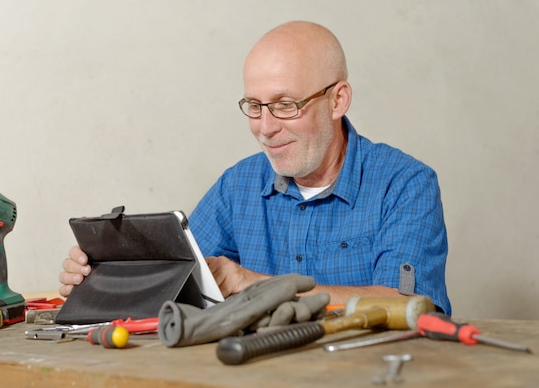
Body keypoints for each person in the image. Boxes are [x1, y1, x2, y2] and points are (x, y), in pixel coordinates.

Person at [59, 21, 451, 314]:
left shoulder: (404, 184)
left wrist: (260, 286)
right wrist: (107, 277)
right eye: (255, 106)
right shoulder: (238, 186)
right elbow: (183, 281)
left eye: (285, 105)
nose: (266, 128)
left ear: (338, 101)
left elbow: (411, 305)